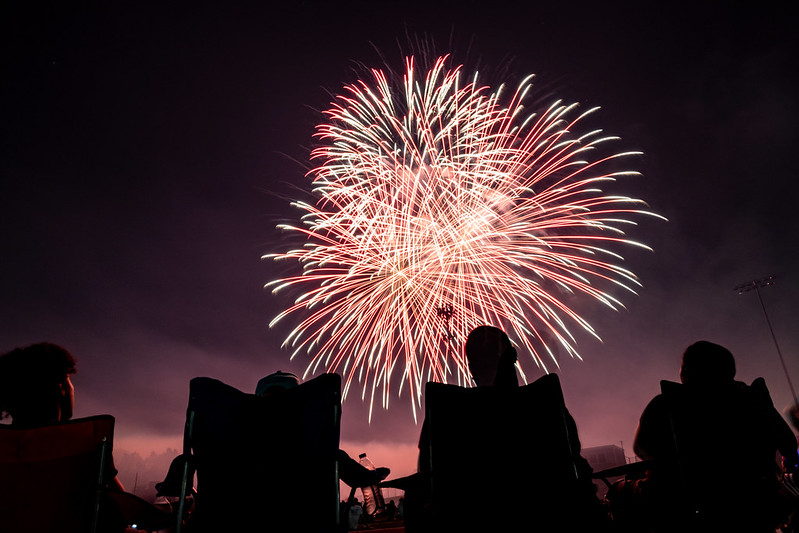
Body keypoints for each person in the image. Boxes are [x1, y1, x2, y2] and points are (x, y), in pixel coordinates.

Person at [402, 325, 606, 531]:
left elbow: (427, 474)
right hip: (549, 518)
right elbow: (575, 465)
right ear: (513, 358)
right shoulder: (543, 404)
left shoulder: (447, 410)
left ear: (471, 368)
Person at [628, 340, 799, 532]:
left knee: (623, 492)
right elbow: (790, 446)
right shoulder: (753, 399)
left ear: (688, 371)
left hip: (690, 509)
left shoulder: (666, 403)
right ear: (730, 370)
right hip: (757, 508)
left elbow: (640, 448)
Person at [0, 342, 171, 531]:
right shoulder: (83, 445)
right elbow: (122, 510)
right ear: (60, 388)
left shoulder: (4, 447)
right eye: (68, 379)